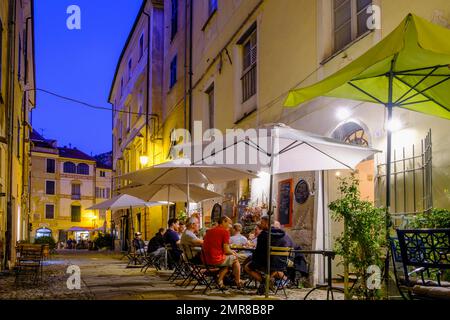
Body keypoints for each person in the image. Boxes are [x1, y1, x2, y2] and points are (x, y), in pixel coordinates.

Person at [244, 216, 288, 294]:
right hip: (281, 263)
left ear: (267, 223)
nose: (260, 224)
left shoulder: (263, 235)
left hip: (267, 262)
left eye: (262, 223)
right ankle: (267, 282)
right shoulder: (282, 234)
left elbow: (259, 252)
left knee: (247, 267)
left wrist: (253, 258)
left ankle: (265, 282)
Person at [202, 216, 244, 289]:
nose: (230, 226)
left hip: (205, 259)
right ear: (224, 222)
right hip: (215, 259)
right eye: (229, 223)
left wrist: (231, 252)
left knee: (228, 262)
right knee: (235, 259)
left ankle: (220, 282)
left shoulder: (209, 231)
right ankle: (238, 281)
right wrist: (233, 252)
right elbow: (226, 250)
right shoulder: (225, 232)